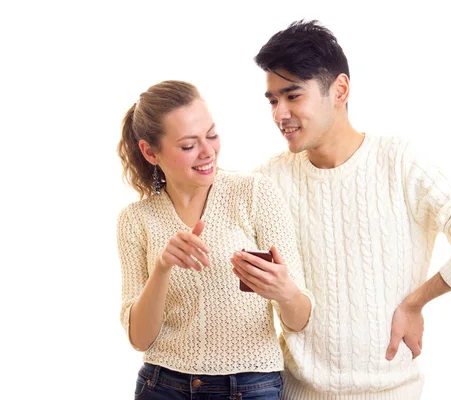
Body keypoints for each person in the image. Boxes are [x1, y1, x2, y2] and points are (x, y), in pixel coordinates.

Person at [247, 20, 451, 399]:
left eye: (293, 96)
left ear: (339, 90)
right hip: (295, 392)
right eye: (273, 100)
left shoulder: (401, 162)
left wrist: (415, 302)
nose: (280, 114)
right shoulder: (267, 179)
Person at [116, 80, 313, 400]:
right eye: (188, 145)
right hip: (162, 386)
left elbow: (300, 319)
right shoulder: (136, 220)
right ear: (150, 152)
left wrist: (284, 291)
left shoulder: (254, 193)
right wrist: (162, 267)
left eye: (211, 135)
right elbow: (140, 339)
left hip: (250, 387)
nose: (208, 152)